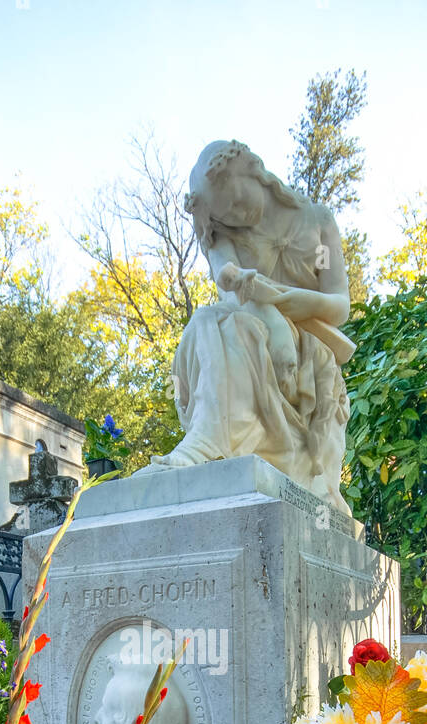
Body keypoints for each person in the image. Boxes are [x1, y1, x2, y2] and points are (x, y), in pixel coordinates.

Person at [152, 140, 355, 512]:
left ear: (254, 172)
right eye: (226, 215)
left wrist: (299, 303)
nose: (238, 216)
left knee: (231, 327)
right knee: (210, 322)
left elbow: (339, 305)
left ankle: (214, 440)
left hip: (309, 343)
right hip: (257, 327)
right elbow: (229, 283)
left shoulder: (318, 224)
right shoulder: (221, 234)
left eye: (237, 202)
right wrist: (273, 319)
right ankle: (207, 439)